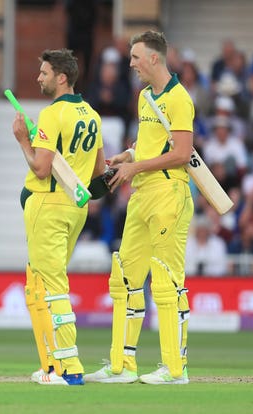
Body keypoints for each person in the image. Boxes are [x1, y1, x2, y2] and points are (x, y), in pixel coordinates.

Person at [84, 30, 194, 385]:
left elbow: (180, 154)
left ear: (154, 59)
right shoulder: (146, 97)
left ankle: (175, 369)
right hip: (142, 194)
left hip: (169, 194)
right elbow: (151, 145)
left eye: (135, 57)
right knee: (125, 279)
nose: (130, 64)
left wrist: (135, 167)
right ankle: (122, 365)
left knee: (166, 281)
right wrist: (128, 156)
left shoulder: (179, 98)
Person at [12, 48, 106, 385]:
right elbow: (98, 171)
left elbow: (40, 169)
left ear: (61, 77)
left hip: (47, 205)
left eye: (44, 73)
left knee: (52, 288)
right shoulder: (92, 114)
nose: (39, 78)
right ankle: (51, 365)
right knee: (43, 284)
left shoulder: (53, 114)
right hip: (75, 208)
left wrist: (24, 140)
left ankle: (69, 368)